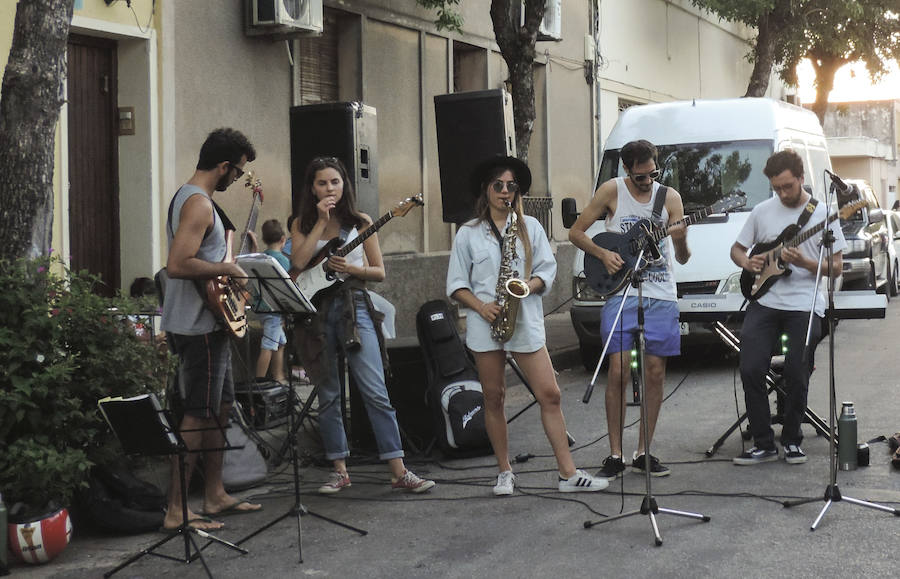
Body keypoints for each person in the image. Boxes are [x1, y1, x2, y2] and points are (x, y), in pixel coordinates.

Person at [447, 155, 607, 496]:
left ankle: (567, 473)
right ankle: (504, 471)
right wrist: (480, 305)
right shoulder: (468, 234)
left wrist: (526, 287)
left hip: (524, 319)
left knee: (549, 393)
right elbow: (457, 284)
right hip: (484, 323)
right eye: (498, 185)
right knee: (494, 397)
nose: (505, 191)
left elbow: (546, 271)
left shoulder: (530, 227)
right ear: (486, 190)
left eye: (511, 186)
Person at [289, 156, 435, 494]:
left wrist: (351, 270)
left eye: (335, 182)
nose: (330, 189)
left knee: (374, 389)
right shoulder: (301, 223)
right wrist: (319, 223)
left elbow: (379, 272)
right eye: (322, 183)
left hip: (354, 307)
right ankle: (339, 469)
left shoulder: (361, 222)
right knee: (328, 394)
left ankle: (398, 470)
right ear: (312, 188)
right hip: (317, 312)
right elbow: (297, 262)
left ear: (345, 185)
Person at [568, 139, 690, 481]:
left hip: (660, 293)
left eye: (653, 174)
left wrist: (679, 238)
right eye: (640, 177)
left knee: (654, 371)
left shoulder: (670, 198)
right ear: (626, 171)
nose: (648, 181)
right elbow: (576, 232)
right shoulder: (611, 191)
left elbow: (682, 257)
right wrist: (603, 254)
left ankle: (643, 451)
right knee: (619, 370)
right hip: (621, 293)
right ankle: (615, 453)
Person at [161, 128, 263, 532]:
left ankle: (215, 494)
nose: (235, 180)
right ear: (222, 166)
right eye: (236, 173)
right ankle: (176, 509)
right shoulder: (198, 205)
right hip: (197, 326)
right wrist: (228, 268)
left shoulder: (199, 202)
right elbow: (177, 264)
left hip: (211, 323)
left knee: (219, 409)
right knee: (199, 415)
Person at [730, 150, 845, 465]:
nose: (782, 193)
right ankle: (764, 443)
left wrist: (806, 262)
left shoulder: (823, 213)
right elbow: (737, 250)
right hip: (764, 300)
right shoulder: (762, 211)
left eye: (788, 186)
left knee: (797, 369)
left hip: (805, 304)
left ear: (801, 178)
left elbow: (837, 267)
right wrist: (748, 261)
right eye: (777, 188)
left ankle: (793, 440)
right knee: (751, 367)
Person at [254, 218, 290, 384]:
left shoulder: (261, 257)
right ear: (283, 239)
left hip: (261, 308)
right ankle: (259, 381)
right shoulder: (283, 261)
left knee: (280, 342)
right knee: (269, 344)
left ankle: (279, 377)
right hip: (274, 309)